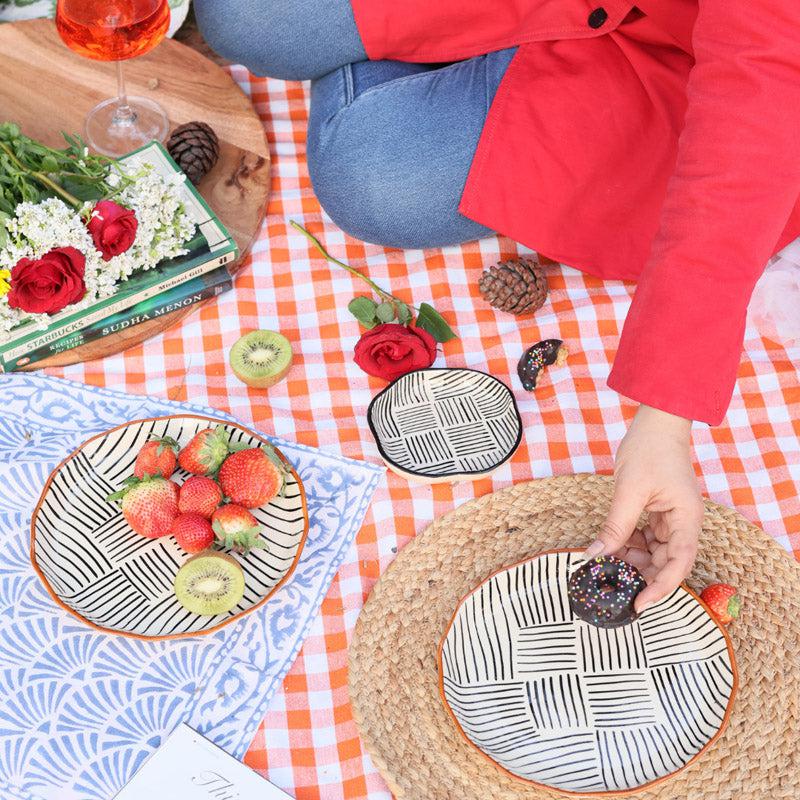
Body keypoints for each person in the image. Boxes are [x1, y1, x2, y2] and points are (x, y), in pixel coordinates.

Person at [194, 0, 800, 611]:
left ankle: (415, 81)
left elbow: (757, 115)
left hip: (672, 77)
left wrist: (665, 420)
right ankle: (423, 78)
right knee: (240, 21)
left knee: (371, 175)